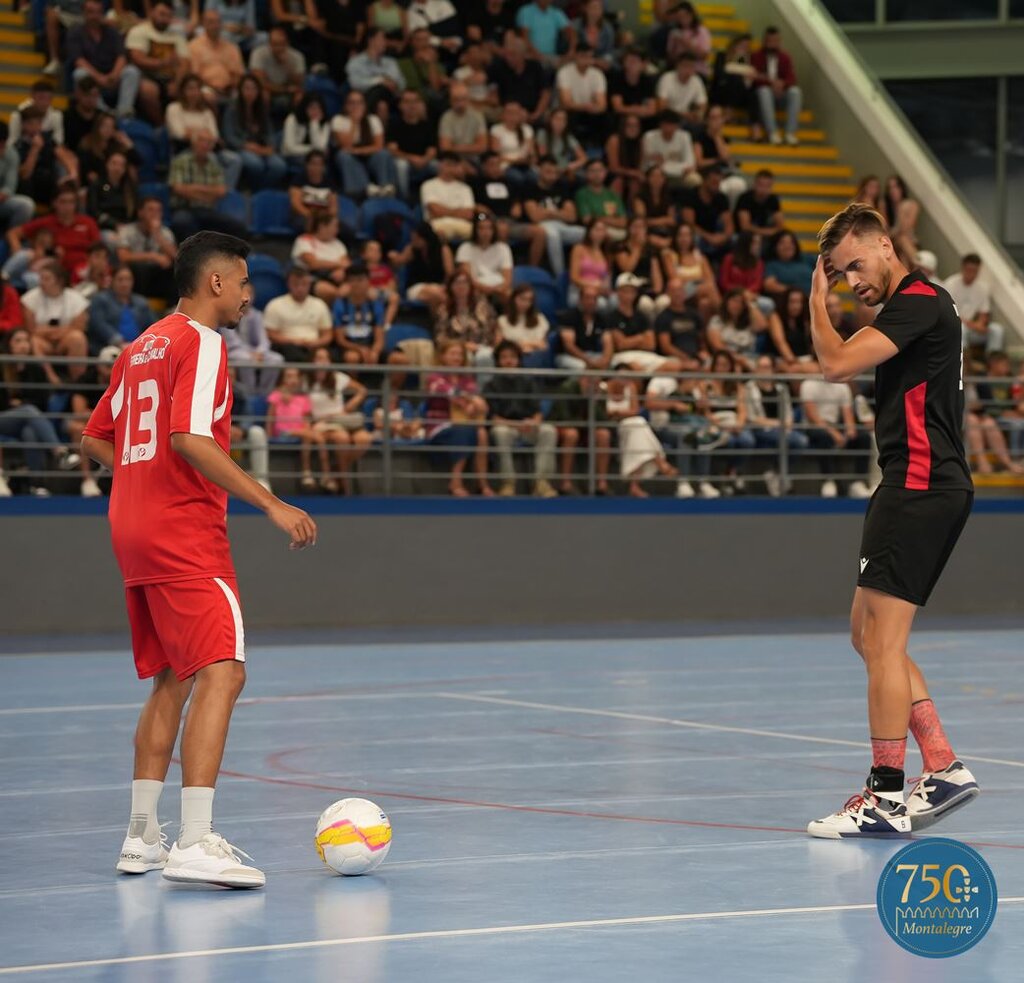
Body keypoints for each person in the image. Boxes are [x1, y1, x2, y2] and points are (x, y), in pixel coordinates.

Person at [79, 230, 316, 887]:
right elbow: (186, 436)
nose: (248, 293)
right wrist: (271, 503)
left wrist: (139, 477)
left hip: (130, 525)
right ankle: (193, 838)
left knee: (173, 676)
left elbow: (97, 436)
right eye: (243, 281)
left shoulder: (140, 345)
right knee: (223, 669)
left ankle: (141, 835)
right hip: (184, 530)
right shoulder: (204, 342)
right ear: (215, 282)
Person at [805, 202, 978, 838]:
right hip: (910, 484)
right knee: (865, 634)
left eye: (855, 265)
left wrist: (815, 303)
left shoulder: (919, 299)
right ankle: (942, 766)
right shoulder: (923, 303)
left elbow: (836, 364)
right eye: (840, 274)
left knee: (884, 644)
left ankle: (884, 795)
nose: (854, 281)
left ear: (884, 244)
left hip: (920, 486)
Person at [484, 340, 558, 497]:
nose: (509, 361)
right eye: (504, 357)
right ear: (498, 361)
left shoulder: (528, 382)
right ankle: (508, 483)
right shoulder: (490, 385)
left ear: (518, 360)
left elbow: (538, 411)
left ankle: (541, 482)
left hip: (527, 427)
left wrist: (534, 421)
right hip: (507, 427)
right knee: (500, 432)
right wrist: (517, 424)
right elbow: (494, 418)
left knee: (548, 431)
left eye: (512, 357)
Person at [424, 339, 493, 496]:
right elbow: (448, 392)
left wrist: (474, 404)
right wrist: (469, 400)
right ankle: (455, 482)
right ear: (442, 356)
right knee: (463, 430)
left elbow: (479, 403)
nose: (457, 358)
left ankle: (482, 484)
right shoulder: (434, 377)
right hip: (438, 426)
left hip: (464, 423)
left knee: (481, 433)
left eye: (460, 354)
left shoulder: (467, 379)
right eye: (453, 354)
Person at [307, 347, 371, 494]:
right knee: (342, 438)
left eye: (325, 358)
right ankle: (345, 485)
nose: (322, 362)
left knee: (364, 438)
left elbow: (362, 390)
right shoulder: (306, 380)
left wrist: (348, 407)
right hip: (321, 423)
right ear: (312, 360)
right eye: (319, 358)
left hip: (341, 419)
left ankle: (337, 471)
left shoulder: (338, 377)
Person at [604, 371, 677, 497]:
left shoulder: (630, 387)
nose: (624, 381)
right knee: (639, 424)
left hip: (631, 426)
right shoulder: (603, 389)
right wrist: (622, 414)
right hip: (612, 428)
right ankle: (659, 460)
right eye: (621, 377)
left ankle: (634, 485)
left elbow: (635, 411)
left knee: (637, 426)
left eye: (626, 378)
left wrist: (618, 413)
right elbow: (604, 413)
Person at [744, 352, 808, 496]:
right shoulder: (749, 388)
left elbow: (788, 412)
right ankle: (780, 474)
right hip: (760, 429)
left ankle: (776, 473)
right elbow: (752, 417)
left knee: (801, 440)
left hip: (781, 428)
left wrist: (787, 423)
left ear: (773, 369)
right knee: (797, 440)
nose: (763, 370)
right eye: (760, 367)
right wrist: (778, 424)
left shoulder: (781, 388)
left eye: (767, 367)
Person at [167, 130, 248, 241]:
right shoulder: (180, 161)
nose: (205, 145)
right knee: (182, 222)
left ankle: (227, 257)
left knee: (238, 227)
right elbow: (178, 189)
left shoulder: (214, 165)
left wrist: (192, 189)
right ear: (193, 143)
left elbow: (221, 191)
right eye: (202, 141)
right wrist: (208, 192)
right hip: (184, 208)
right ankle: (190, 256)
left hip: (207, 210)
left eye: (209, 142)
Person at [66, 0, 142, 119]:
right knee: (79, 74)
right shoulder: (76, 32)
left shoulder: (111, 31)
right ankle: (101, 110)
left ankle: (124, 112)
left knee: (132, 71)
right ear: (84, 13)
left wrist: (115, 75)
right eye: (91, 12)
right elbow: (79, 60)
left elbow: (121, 56)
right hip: (92, 75)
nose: (94, 16)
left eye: (98, 12)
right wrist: (99, 78)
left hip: (112, 75)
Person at [799, 374, 872, 497]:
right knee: (824, 436)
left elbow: (848, 416)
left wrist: (850, 430)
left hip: (836, 425)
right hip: (814, 428)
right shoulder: (808, 385)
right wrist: (834, 433)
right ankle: (828, 480)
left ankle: (858, 482)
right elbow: (813, 417)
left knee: (864, 437)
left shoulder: (842, 386)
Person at [125, 0, 191, 124]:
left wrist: (177, 83)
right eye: (161, 14)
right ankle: (161, 125)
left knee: (191, 89)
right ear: (152, 13)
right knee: (148, 90)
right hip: (147, 76)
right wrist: (163, 63)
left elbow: (185, 63)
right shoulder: (139, 31)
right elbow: (137, 59)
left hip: (171, 78)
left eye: (168, 16)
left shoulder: (177, 36)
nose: (164, 19)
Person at [221, 74, 289, 191]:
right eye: (246, 88)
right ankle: (255, 190)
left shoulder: (261, 108)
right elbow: (229, 136)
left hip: (261, 146)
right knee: (255, 164)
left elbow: (270, 131)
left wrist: (270, 147)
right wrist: (246, 146)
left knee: (279, 166)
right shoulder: (232, 109)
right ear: (240, 90)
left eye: (253, 89)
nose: (250, 92)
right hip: (241, 147)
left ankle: (261, 190)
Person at [267, 365, 329, 492]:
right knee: (316, 437)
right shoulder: (276, 395)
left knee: (310, 437)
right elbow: (270, 417)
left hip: (301, 432)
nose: (293, 380)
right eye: (289, 376)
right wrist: (268, 436)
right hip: (283, 432)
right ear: (283, 379)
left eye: (295, 376)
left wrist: (307, 430)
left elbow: (306, 420)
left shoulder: (304, 398)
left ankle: (310, 474)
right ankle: (326, 475)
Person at [522, 155, 583, 278]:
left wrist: (548, 213)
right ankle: (559, 275)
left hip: (562, 226)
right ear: (539, 170)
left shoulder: (562, 187)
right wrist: (559, 213)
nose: (552, 175)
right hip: (542, 226)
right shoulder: (530, 189)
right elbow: (535, 217)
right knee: (553, 235)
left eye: (555, 172)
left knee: (589, 234)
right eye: (548, 171)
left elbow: (572, 216)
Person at [332, 90, 398, 200]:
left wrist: (358, 151)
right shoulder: (338, 120)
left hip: (369, 156)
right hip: (350, 157)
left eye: (359, 103)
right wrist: (354, 122)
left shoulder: (373, 119)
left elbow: (379, 146)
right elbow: (345, 146)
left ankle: (385, 188)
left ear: (364, 105)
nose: (355, 106)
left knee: (383, 154)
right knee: (343, 156)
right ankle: (361, 192)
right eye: (351, 103)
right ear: (345, 105)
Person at [263, 267, 333, 362]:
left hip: (314, 346)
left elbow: (327, 334)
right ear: (289, 284)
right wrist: (294, 341)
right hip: (286, 346)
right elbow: (270, 334)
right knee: (292, 352)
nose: (300, 288)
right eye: (296, 284)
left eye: (304, 284)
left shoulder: (319, 304)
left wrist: (316, 343)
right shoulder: (275, 304)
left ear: (309, 284)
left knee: (323, 355)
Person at [117, 196, 178, 303]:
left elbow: (176, 257)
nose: (155, 214)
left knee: (175, 269)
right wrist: (152, 256)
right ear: (140, 212)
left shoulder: (165, 232)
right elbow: (123, 256)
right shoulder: (127, 230)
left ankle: (171, 307)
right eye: (150, 210)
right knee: (139, 268)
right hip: (135, 274)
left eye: (158, 210)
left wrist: (157, 235)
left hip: (156, 276)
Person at [943, 253, 1003, 355]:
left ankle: (993, 362)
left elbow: (984, 312)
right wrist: (974, 325)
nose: (971, 274)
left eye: (975, 271)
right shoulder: (950, 284)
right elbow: (948, 313)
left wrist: (980, 324)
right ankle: (964, 362)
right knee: (962, 328)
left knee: (997, 330)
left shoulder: (982, 287)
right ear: (963, 268)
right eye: (969, 270)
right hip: (953, 327)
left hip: (971, 328)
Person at [751, 26, 801, 146]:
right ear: (765, 41)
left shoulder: (785, 57)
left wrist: (782, 84)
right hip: (764, 94)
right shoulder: (756, 56)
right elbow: (754, 77)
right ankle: (772, 132)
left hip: (781, 93)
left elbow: (792, 77)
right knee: (764, 91)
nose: (772, 44)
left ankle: (790, 133)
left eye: (775, 41)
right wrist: (771, 83)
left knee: (795, 92)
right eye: (770, 41)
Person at [434, 270, 497, 366]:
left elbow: (493, 328)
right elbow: (440, 337)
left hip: (482, 346)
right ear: (450, 287)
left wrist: (484, 346)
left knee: (485, 356)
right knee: (466, 357)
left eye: (465, 282)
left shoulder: (483, 306)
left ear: (470, 286)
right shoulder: (444, 310)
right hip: (456, 349)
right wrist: (463, 345)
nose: (461, 286)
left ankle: (485, 382)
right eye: (457, 283)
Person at [221, 306, 284, 398]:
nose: (246, 299)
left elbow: (263, 339)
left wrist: (260, 351)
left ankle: (265, 393)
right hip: (234, 350)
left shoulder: (257, 315)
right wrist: (251, 353)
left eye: (249, 294)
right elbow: (232, 341)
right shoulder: (227, 315)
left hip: (256, 352)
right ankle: (249, 393)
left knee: (277, 359)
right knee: (246, 359)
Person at [88, 264, 154, 352]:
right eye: (120, 280)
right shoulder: (100, 300)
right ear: (112, 281)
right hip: (109, 347)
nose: (124, 284)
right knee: (111, 353)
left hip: (138, 347)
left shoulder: (142, 302)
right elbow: (99, 325)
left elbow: (153, 325)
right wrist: (119, 342)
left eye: (128, 280)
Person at [387, 89, 438, 201]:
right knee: (401, 165)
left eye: (415, 101)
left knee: (439, 165)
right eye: (407, 102)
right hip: (406, 162)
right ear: (400, 105)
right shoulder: (394, 124)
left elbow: (432, 149)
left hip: (424, 162)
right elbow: (392, 150)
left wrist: (424, 159)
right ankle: (404, 198)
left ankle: (438, 196)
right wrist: (411, 158)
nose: (412, 106)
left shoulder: (427, 125)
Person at [332, 264, 388, 366]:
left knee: (399, 359)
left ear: (368, 282)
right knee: (352, 357)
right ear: (347, 283)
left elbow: (379, 338)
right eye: (352, 280)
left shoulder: (375, 305)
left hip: (370, 344)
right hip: (348, 347)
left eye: (360, 280)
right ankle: (352, 382)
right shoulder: (340, 305)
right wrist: (359, 349)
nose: (356, 284)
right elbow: (340, 339)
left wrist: (375, 351)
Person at [249, 25, 306, 122]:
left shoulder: (297, 57)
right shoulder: (258, 54)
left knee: (300, 97)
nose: (278, 48)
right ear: (269, 43)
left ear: (288, 43)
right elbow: (260, 82)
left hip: (288, 91)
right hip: (270, 90)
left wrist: (287, 66)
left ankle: (296, 125)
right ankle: (263, 127)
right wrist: (285, 89)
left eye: (281, 44)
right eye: (274, 44)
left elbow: (298, 84)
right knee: (263, 95)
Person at [555, 43, 607, 148]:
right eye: (583, 56)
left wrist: (592, 107)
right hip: (571, 111)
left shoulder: (598, 74)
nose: (587, 60)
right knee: (570, 115)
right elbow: (566, 102)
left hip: (589, 111)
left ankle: (595, 150)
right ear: (576, 56)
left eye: (590, 57)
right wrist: (585, 106)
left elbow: (602, 104)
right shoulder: (564, 72)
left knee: (603, 118)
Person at [456, 213, 513, 307]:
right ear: (475, 230)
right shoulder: (465, 248)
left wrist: (496, 289)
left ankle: (509, 321)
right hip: (475, 287)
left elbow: (507, 279)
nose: (485, 232)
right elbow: (467, 277)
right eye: (481, 228)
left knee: (511, 296)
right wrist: (485, 288)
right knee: (471, 294)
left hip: (498, 287)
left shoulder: (504, 248)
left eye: (489, 228)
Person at [188, 8, 244, 103]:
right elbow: (195, 76)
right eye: (211, 22)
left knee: (246, 95)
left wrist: (231, 86)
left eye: (218, 21)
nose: (215, 25)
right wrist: (214, 88)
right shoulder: (194, 46)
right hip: (204, 87)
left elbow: (238, 74)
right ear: (203, 24)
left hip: (229, 88)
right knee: (209, 97)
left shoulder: (232, 47)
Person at [292, 213, 351, 303]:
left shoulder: (338, 244)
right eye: (334, 226)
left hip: (338, 278)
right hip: (312, 277)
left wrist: (342, 271)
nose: (337, 230)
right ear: (322, 226)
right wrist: (338, 264)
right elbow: (313, 263)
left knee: (355, 288)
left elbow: (346, 263)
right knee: (329, 292)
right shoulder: (304, 240)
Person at [679, 165, 734, 261]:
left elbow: (729, 224)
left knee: (735, 239)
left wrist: (724, 237)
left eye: (718, 183)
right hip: (698, 234)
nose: (717, 186)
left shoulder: (721, 197)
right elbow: (689, 224)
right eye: (714, 183)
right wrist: (709, 237)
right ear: (705, 181)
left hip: (715, 234)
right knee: (694, 239)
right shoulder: (691, 196)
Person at [556, 285, 613, 372]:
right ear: (580, 299)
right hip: (570, 356)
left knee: (615, 366)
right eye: (588, 298)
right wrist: (589, 361)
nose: (591, 302)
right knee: (583, 367)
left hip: (593, 355)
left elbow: (608, 343)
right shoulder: (568, 317)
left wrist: (605, 360)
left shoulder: (602, 319)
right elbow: (569, 346)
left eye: (594, 298)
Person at [705, 287, 766, 370]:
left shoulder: (750, 322)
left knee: (762, 366)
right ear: (727, 302)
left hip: (748, 357)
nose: (736, 305)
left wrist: (750, 303)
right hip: (724, 357)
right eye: (734, 300)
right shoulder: (717, 320)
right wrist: (736, 358)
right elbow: (717, 346)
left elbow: (762, 326)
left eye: (741, 302)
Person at [765, 287, 818, 374]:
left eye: (799, 302)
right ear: (785, 302)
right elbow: (779, 342)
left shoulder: (806, 319)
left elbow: (812, 343)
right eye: (792, 302)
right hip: (783, 360)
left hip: (804, 360)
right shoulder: (775, 316)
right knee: (793, 370)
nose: (796, 306)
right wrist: (794, 363)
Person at [438, 82, 489, 169]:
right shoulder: (446, 118)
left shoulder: (477, 116)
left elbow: (482, 146)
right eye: (456, 100)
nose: (460, 103)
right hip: (452, 159)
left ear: (468, 99)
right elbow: (445, 148)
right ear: (450, 101)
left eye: (463, 99)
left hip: (475, 159)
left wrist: (454, 147)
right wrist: (471, 147)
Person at [574, 159, 627, 239]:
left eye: (600, 170)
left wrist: (599, 218)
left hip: (615, 230)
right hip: (593, 231)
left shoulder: (613, 195)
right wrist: (610, 220)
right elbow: (587, 220)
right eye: (592, 171)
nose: (597, 174)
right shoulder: (582, 194)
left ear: (605, 172)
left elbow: (623, 222)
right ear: (586, 173)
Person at [496, 285, 551, 361]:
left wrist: (524, 345)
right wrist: (523, 346)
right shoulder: (502, 320)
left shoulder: (540, 319)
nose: (526, 303)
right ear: (513, 299)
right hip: (512, 359)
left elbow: (543, 345)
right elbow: (499, 346)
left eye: (529, 300)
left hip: (535, 356)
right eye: (522, 299)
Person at [0, 122, 35, 236]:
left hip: (1, 201)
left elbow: (9, 188)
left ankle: (9, 241)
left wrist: (3, 194)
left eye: (2, 145)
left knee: (26, 205)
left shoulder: (11, 154)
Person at [608, 47, 658, 126]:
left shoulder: (647, 81)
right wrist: (638, 109)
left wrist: (632, 109)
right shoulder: (617, 79)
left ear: (643, 64)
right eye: (629, 61)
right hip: (621, 118)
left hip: (642, 118)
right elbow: (618, 107)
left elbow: (652, 109)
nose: (631, 65)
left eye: (635, 61)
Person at [535, 108, 588, 183]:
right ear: (550, 120)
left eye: (563, 120)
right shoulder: (542, 134)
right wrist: (557, 169)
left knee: (581, 176)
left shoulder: (568, 137)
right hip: (548, 167)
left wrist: (573, 165)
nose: (560, 122)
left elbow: (583, 158)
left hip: (565, 168)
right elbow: (544, 157)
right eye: (557, 119)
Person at [288, 149, 336, 229]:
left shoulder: (329, 182)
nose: (316, 167)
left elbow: (333, 207)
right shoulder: (299, 180)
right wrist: (311, 216)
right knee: (311, 224)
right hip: (303, 216)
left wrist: (327, 217)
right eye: (313, 164)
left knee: (344, 229)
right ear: (307, 165)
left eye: (320, 164)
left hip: (323, 218)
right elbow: (296, 204)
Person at [515, 0, 573, 67]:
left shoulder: (556, 12)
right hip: (529, 55)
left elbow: (571, 33)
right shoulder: (525, 11)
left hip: (551, 56)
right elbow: (524, 36)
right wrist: (536, 54)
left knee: (570, 65)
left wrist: (571, 51)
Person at [655, 53, 707, 127]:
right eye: (685, 66)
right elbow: (662, 107)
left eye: (691, 66)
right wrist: (683, 115)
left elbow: (702, 105)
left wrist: (697, 115)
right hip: (668, 118)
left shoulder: (696, 81)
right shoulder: (667, 78)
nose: (688, 70)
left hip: (686, 120)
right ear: (677, 66)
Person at [281, 94, 332, 164]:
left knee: (318, 161)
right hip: (292, 155)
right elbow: (289, 147)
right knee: (313, 161)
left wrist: (314, 123)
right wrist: (313, 149)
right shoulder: (292, 119)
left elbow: (320, 146)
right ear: (305, 107)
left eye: (318, 108)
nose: (315, 111)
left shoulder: (324, 123)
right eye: (312, 107)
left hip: (314, 156)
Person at [734, 168, 782, 238]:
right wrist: (769, 231)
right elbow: (745, 227)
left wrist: (760, 231)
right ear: (754, 184)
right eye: (761, 185)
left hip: (763, 235)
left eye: (767, 186)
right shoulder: (745, 198)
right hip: (743, 236)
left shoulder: (773, 199)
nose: (763, 189)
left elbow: (780, 227)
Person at [884, 174, 919, 267]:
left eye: (896, 187)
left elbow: (907, 228)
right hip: (891, 240)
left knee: (903, 249)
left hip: (908, 240)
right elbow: (886, 230)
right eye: (890, 188)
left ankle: (908, 275)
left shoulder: (911, 204)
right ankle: (922, 266)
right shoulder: (885, 205)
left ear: (902, 188)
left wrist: (901, 209)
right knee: (901, 239)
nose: (893, 190)